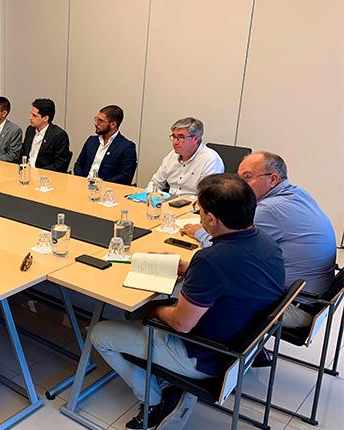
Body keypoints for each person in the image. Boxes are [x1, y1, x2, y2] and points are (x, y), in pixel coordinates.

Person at [91, 173, 284, 430]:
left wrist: (155, 309)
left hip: (205, 356)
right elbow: (234, 272)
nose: (199, 217)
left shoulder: (212, 260)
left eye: (200, 211)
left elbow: (182, 324)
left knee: (100, 333)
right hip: (241, 345)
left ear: (212, 220)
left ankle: (152, 399)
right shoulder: (266, 241)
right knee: (153, 307)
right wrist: (190, 267)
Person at [181, 152, 336, 328]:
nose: (239, 185)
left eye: (247, 177)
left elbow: (223, 253)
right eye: (239, 177)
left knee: (192, 287)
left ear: (273, 179)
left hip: (293, 304)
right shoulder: (297, 193)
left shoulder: (268, 209)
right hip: (317, 298)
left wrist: (200, 232)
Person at [146, 117, 223, 196]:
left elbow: (207, 197)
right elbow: (155, 183)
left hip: (193, 202)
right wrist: (151, 196)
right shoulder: (172, 155)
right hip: (169, 200)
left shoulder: (211, 160)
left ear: (195, 139)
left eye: (181, 137)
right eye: (174, 136)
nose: (175, 142)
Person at [73, 105, 137, 184]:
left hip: (106, 188)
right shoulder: (91, 140)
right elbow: (79, 164)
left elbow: (125, 176)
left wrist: (100, 184)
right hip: (82, 185)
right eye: (96, 119)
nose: (96, 123)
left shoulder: (127, 147)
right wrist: (81, 181)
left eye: (100, 121)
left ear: (113, 124)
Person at [20, 98, 71, 172]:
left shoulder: (59, 135)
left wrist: (37, 172)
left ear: (45, 118)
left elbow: (60, 165)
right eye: (31, 114)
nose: (30, 118)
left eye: (34, 115)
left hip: (44, 175)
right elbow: (23, 154)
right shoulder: (30, 130)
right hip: (25, 172)